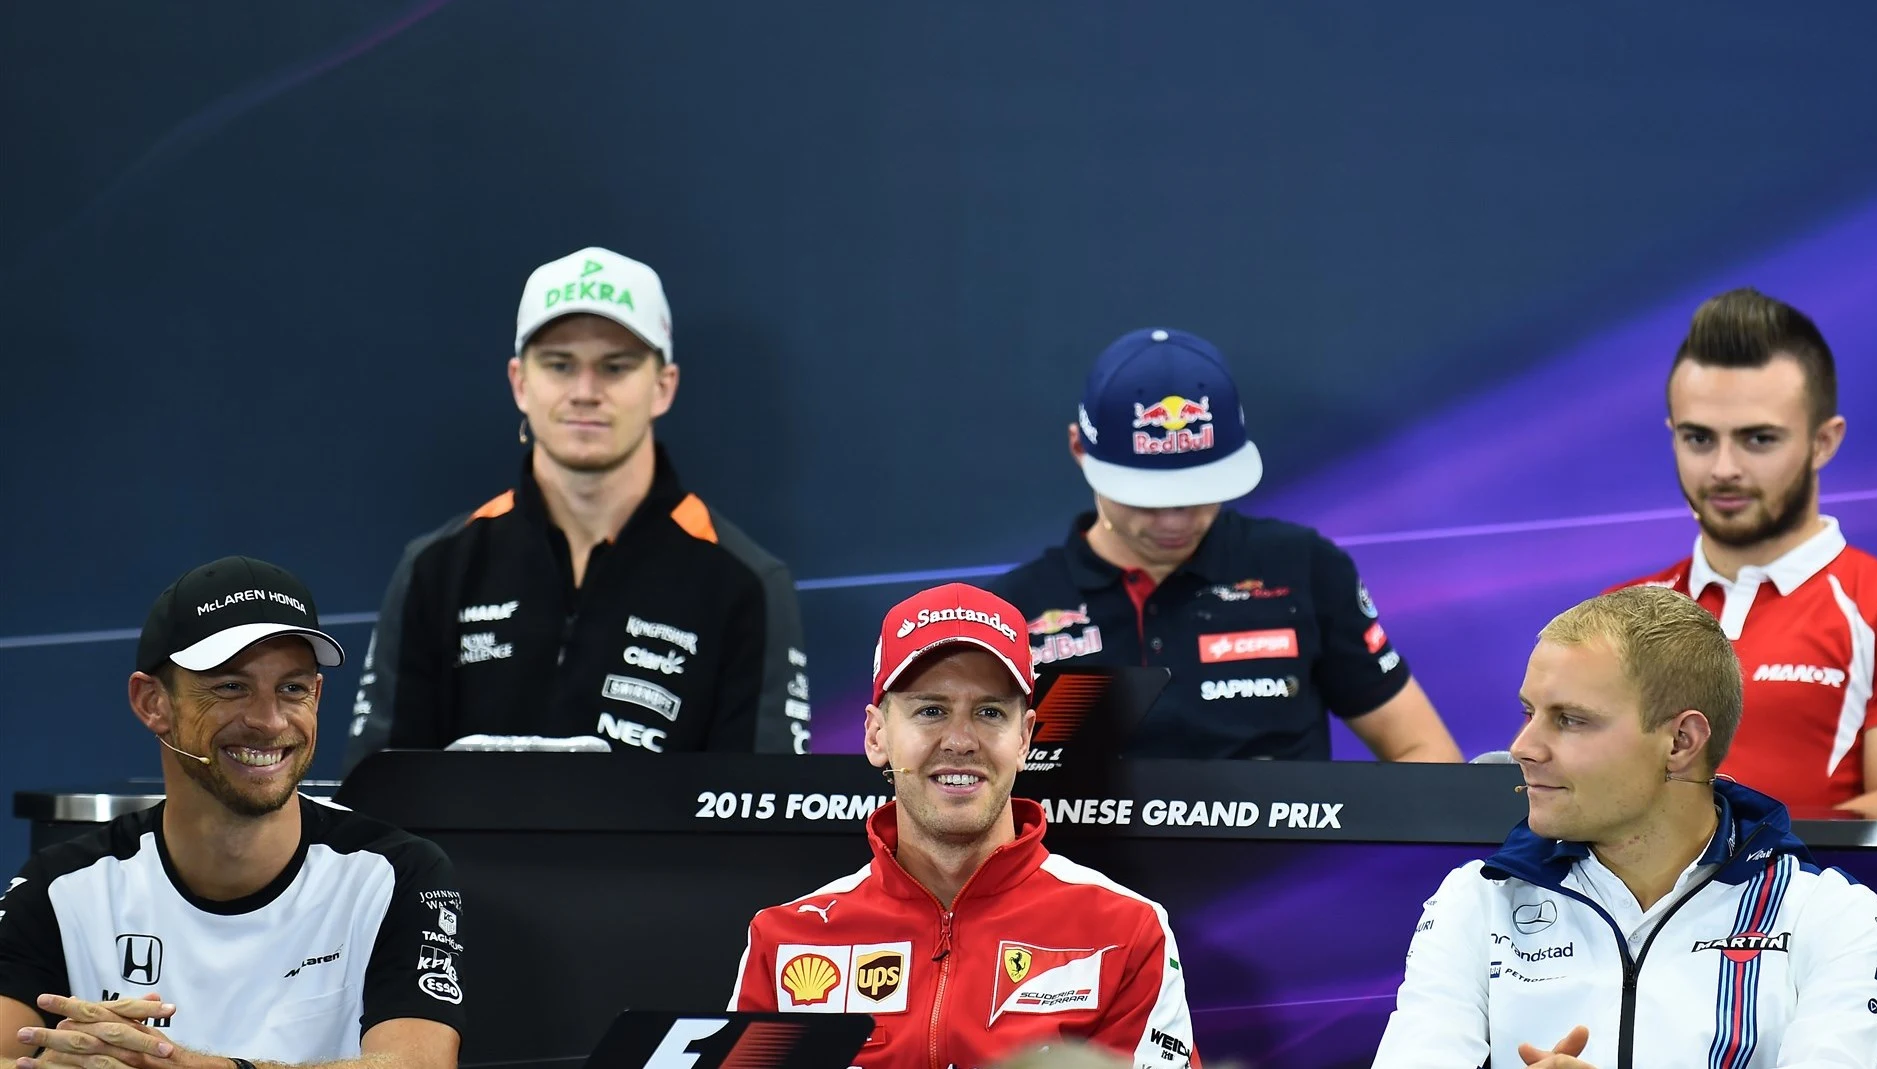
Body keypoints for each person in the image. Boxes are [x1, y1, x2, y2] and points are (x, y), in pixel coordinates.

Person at [1372, 585, 1877, 1067]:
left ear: (1680, 743)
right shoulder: (1476, 901)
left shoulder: (1829, 918)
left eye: (1570, 720)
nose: (1523, 748)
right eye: (1530, 712)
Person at [344, 246, 809, 769]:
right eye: (560, 364)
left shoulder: (744, 583)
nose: (585, 392)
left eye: (615, 366)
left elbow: (760, 815)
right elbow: (377, 800)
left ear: (663, 386)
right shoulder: (437, 567)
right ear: (521, 382)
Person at [0, 557, 465, 1069]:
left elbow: (418, 1065)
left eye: (292, 688)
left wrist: (185, 1066)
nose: (268, 721)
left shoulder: (395, 873)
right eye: (230, 686)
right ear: (152, 702)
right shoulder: (62, 886)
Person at [728, 584, 1199, 1069]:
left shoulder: (1125, 931)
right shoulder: (785, 939)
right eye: (930, 711)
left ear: (1024, 739)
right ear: (876, 735)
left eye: (989, 712)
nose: (959, 740)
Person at [989, 327, 1462, 762]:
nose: (1174, 519)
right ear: (1079, 449)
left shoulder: (1304, 568)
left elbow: (1424, 750)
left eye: (1199, 490)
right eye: (1146, 496)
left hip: (1291, 856)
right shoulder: (1011, 612)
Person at [1610, 288, 1877, 818]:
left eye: (1758, 439)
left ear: (1824, 442)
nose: (1723, 468)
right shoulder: (1615, 616)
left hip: (1829, 899)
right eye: (1699, 438)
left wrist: (1728, 878)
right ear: (1672, 435)